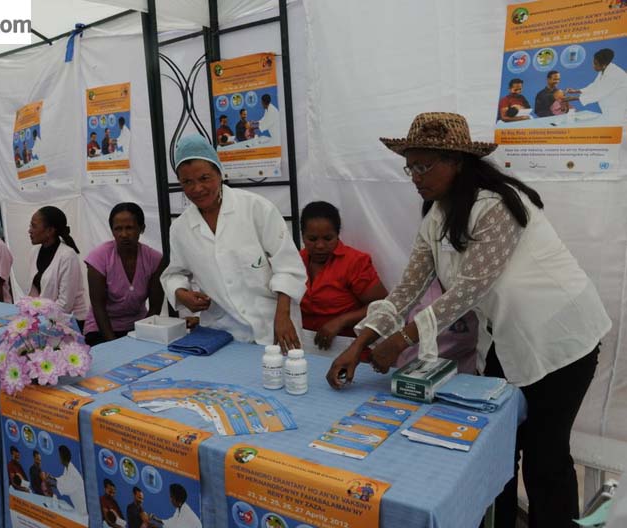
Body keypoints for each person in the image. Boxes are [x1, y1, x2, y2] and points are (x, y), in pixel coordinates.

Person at [325, 112, 611, 528]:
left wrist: (400, 340)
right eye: (410, 166)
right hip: (509, 339)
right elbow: (408, 288)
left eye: (424, 166)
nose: (415, 177)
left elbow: (468, 291)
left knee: (545, 456)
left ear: (456, 161)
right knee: (495, 449)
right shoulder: (437, 216)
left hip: (561, 338)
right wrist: (359, 344)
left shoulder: (498, 206)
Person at [161, 134, 306, 350]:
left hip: (274, 325)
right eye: (187, 182)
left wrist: (283, 317)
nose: (197, 188)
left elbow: (288, 268)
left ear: (220, 174)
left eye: (204, 178)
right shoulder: (180, 229)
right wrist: (181, 293)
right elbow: (174, 274)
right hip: (222, 332)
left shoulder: (256, 208)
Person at [298, 201, 388, 350]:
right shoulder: (295, 261)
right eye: (312, 239)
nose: (320, 245)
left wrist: (342, 321)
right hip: (303, 346)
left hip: (347, 347)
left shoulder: (354, 262)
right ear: (302, 236)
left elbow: (382, 305)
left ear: (338, 234)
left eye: (328, 238)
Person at [84, 203, 164, 346]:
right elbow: (98, 307)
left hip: (139, 326)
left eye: (129, 228)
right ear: (112, 231)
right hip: (102, 328)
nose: (124, 234)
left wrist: (142, 334)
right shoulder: (99, 258)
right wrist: (114, 345)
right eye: (118, 229)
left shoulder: (155, 259)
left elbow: (155, 307)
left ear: (142, 228)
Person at [27, 206, 88, 327]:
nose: (30, 230)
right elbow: (34, 293)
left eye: (34, 226)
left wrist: (41, 321)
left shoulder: (68, 256)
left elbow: (65, 305)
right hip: (46, 319)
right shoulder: (35, 252)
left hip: (71, 322)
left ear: (50, 231)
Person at [566, 48, 627, 122]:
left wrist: (574, 98)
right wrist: (576, 91)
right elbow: (595, 85)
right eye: (593, 62)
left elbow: (599, 94)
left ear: (604, 65)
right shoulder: (605, 69)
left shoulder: (614, 75)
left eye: (595, 64)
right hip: (610, 111)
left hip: (619, 112)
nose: (593, 66)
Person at [50, 446, 87, 516]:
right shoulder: (67, 468)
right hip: (78, 507)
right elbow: (64, 479)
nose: (59, 458)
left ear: (63, 457)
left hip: (83, 510)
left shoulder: (73, 473)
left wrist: (53, 484)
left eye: (59, 456)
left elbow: (67, 489)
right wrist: (54, 478)